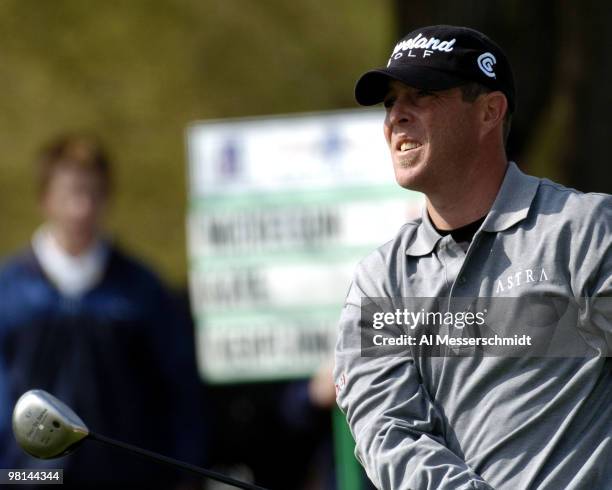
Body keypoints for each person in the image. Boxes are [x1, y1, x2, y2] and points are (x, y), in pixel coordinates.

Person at [334, 25, 611, 490]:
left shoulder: (583, 232)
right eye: (389, 102)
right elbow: (389, 432)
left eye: (421, 94)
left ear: (489, 111)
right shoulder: (380, 283)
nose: (396, 116)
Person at [0, 135, 206, 489]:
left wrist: (184, 474)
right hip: (27, 481)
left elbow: (181, 393)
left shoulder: (141, 291)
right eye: (71, 194)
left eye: (93, 194)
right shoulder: (10, 292)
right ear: (45, 199)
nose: (82, 208)